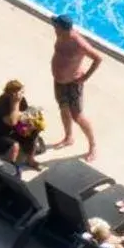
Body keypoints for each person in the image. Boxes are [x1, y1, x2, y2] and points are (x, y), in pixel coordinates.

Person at [50, 14, 103, 160]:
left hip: (73, 83)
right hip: (59, 81)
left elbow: (98, 58)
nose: (54, 28)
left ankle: (92, 146)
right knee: (63, 108)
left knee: (77, 116)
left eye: (56, 26)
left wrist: (85, 77)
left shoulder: (79, 43)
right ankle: (68, 137)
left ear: (63, 28)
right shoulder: (60, 35)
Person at [0, 79, 42, 167]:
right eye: (17, 94)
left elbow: (23, 116)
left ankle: (30, 159)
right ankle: (9, 167)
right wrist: (15, 103)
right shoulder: (0, 105)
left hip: (8, 131)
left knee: (33, 131)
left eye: (22, 92)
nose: (20, 96)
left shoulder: (20, 99)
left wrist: (29, 125)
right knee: (14, 146)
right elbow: (12, 121)